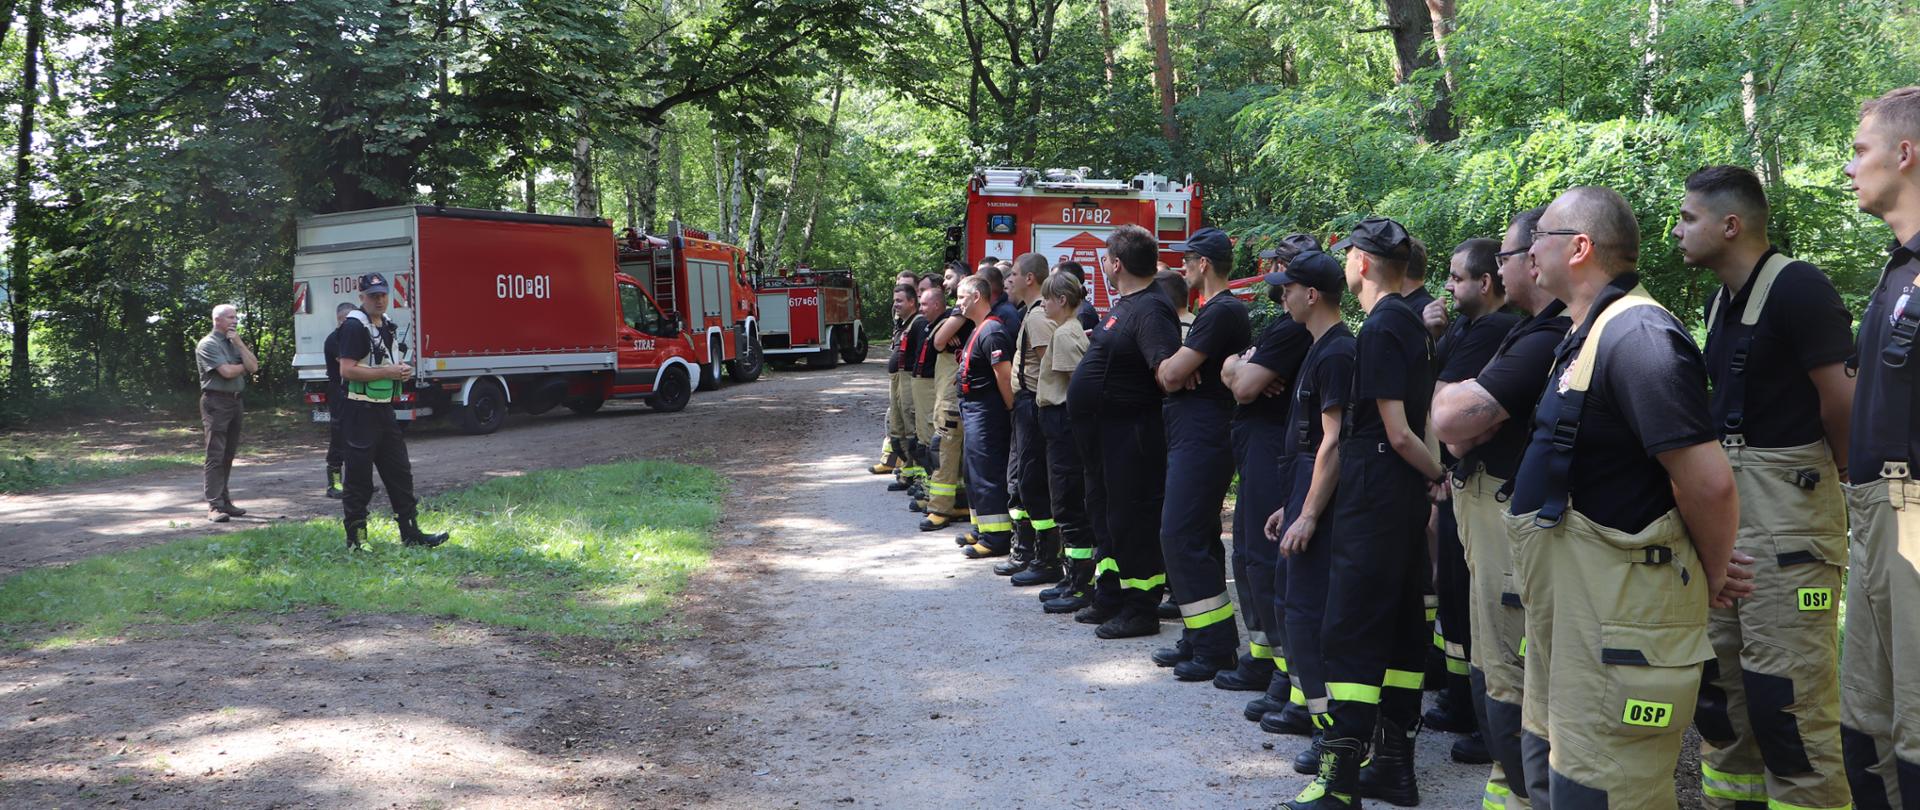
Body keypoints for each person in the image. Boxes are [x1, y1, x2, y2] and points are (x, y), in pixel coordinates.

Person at [1504, 186, 1748, 808]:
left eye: (1541, 239)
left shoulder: (1638, 336)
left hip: (1617, 628)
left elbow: (1708, 482)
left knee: (1606, 792)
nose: (1529, 251)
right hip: (1575, 624)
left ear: (1580, 248)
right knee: (1558, 781)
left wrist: (1708, 572)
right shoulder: (1587, 333)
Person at [1671, 165, 1857, 810]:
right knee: (1726, 702)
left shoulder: (1799, 288)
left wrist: (1836, 489)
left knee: (1791, 708)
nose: (1677, 230)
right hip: (1735, 521)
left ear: (1731, 224)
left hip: (1790, 522)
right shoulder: (1721, 301)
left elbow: (1843, 406)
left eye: (1688, 217)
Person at [1284, 216, 1442, 810]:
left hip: (1375, 488)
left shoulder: (1377, 329)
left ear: (1364, 264)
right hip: (1400, 495)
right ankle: (1394, 767)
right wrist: (1432, 477)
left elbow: (1399, 433)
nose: (1346, 262)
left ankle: (1339, 778)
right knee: (1402, 625)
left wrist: (1436, 474)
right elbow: (1421, 425)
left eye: (1349, 253)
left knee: (1348, 629)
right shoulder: (1413, 323)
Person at [1431, 206, 1569, 810]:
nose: (1521, 264)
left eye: (1515, 256)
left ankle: (1525, 789)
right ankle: (1511, 786)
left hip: (1511, 515)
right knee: (1496, 666)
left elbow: (1451, 424)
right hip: (1489, 510)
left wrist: (1455, 406)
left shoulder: (1542, 335)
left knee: (1508, 672)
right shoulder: (1522, 330)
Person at [1839, 85, 1920, 808]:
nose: (1849, 166)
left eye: (1859, 150)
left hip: (1917, 513)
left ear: (1905, 153)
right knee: (1864, 723)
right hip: (1872, 515)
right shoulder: (1896, 268)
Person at [1423, 237, 1523, 759]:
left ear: (1486, 283)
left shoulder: (1497, 331)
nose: (1447, 286)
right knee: (1459, 599)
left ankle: (1482, 717)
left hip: (1487, 484)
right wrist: (1433, 334)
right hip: (1459, 478)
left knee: (1476, 604)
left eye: (1457, 278)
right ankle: (1464, 700)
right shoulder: (1464, 327)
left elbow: (1446, 410)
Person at [1262, 248, 1356, 777]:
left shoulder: (1339, 353)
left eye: (1288, 288)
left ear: (1312, 294)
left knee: (1307, 611)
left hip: (1319, 492)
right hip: (1301, 484)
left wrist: (1310, 514)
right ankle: (1314, 717)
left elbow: (1335, 442)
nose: (1283, 296)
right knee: (1293, 605)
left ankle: (1330, 736)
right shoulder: (1319, 349)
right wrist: (1289, 504)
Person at [1147, 227, 1253, 682]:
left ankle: (1214, 645)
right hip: (1194, 431)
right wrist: (1175, 366)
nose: (1182, 268)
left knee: (1179, 534)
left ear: (1204, 264)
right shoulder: (1213, 311)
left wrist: (1172, 367)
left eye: (1187, 261)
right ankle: (1199, 633)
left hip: (1204, 434)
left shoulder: (1221, 311)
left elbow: (1171, 377)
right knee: (1200, 535)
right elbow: (1175, 372)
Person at [1066, 224, 1180, 640]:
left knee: (1132, 519)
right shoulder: (1124, 305)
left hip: (1131, 436)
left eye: (1107, 258)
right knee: (1106, 516)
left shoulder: (1151, 308)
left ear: (1117, 263)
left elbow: (1166, 372)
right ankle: (1111, 593)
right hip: (1102, 436)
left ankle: (1141, 608)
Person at [1220, 233, 1319, 705]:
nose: (1276, 278)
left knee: (1264, 557)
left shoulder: (1293, 330)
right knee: (1245, 555)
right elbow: (1236, 374)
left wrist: (1243, 370)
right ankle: (1262, 656)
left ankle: (1284, 671)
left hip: (1271, 448)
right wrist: (1236, 363)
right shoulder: (1282, 324)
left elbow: (1242, 388)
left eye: (1284, 268)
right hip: (1256, 444)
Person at [334, 272, 450, 551]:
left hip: (384, 411)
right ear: (361, 297)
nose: (380, 299)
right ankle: (357, 541)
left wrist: (403, 372)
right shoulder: (353, 327)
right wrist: (388, 371)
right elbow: (347, 369)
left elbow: (385, 363)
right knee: (359, 478)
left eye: (383, 294)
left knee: (400, 472)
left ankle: (411, 533)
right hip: (359, 411)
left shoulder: (386, 325)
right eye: (373, 295)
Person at [998, 253, 1062, 583]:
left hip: (1034, 406)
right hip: (1027, 406)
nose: (1008, 278)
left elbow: (1052, 365)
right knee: (1023, 479)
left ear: (1030, 279)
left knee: (1033, 482)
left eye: (1015, 274)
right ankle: (1030, 550)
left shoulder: (1037, 318)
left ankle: (1046, 558)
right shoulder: (1030, 313)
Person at [1036, 270, 1096, 613]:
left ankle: (1081, 582)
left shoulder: (1066, 334)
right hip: (1057, 421)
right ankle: (1071, 575)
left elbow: (1078, 386)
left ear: (1062, 301)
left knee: (1068, 501)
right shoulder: (1064, 330)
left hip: (1064, 422)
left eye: (1047, 297)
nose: (1043, 303)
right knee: (1064, 499)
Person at [955, 275, 1017, 558]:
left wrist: (1010, 411)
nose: (957, 303)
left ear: (977, 297)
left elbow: (1004, 377)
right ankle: (981, 528)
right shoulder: (979, 328)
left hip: (987, 412)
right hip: (973, 410)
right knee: (973, 471)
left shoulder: (992, 331)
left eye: (960, 297)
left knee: (987, 471)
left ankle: (997, 537)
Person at [920, 262, 975, 531]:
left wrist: (944, 334)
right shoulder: (961, 313)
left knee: (944, 445)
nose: (945, 281)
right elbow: (938, 340)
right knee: (954, 448)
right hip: (952, 390)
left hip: (952, 395)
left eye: (949, 277)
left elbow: (938, 341)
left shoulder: (961, 310)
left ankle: (939, 508)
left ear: (964, 280)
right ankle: (957, 501)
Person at [196, 303, 258, 523]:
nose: (235, 321)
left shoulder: (233, 343)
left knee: (229, 454)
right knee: (215, 454)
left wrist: (240, 344)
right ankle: (214, 506)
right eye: (230, 317)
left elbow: (255, 366)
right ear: (217, 320)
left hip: (235, 402)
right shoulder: (208, 344)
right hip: (216, 402)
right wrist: (243, 366)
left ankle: (225, 501)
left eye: (236, 317)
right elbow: (227, 371)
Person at [878, 283, 921, 486]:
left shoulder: (918, 323)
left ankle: (916, 476)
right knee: (897, 430)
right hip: (897, 381)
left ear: (912, 302)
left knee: (910, 430)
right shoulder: (903, 324)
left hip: (908, 382)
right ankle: (907, 472)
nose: (895, 305)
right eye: (895, 301)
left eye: (899, 301)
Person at [906, 275, 943, 513]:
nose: (920, 306)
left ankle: (933, 492)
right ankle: (927, 487)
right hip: (921, 384)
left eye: (924, 300)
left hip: (932, 388)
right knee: (921, 440)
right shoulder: (926, 323)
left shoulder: (947, 322)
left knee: (932, 442)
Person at [323, 301, 357, 499]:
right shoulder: (335, 339)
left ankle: (355, 483)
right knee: (339, 439)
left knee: (358, 438)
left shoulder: (351, 337)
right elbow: (351, 363)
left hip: (355, 392)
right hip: (340, 393)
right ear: (342, 319)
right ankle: (334, 485)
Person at [1055, 260, 1100, 329]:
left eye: (1056, 279)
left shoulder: (1082, 313)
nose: (1052, 284)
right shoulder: (1074, 309)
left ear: (1068, 282)